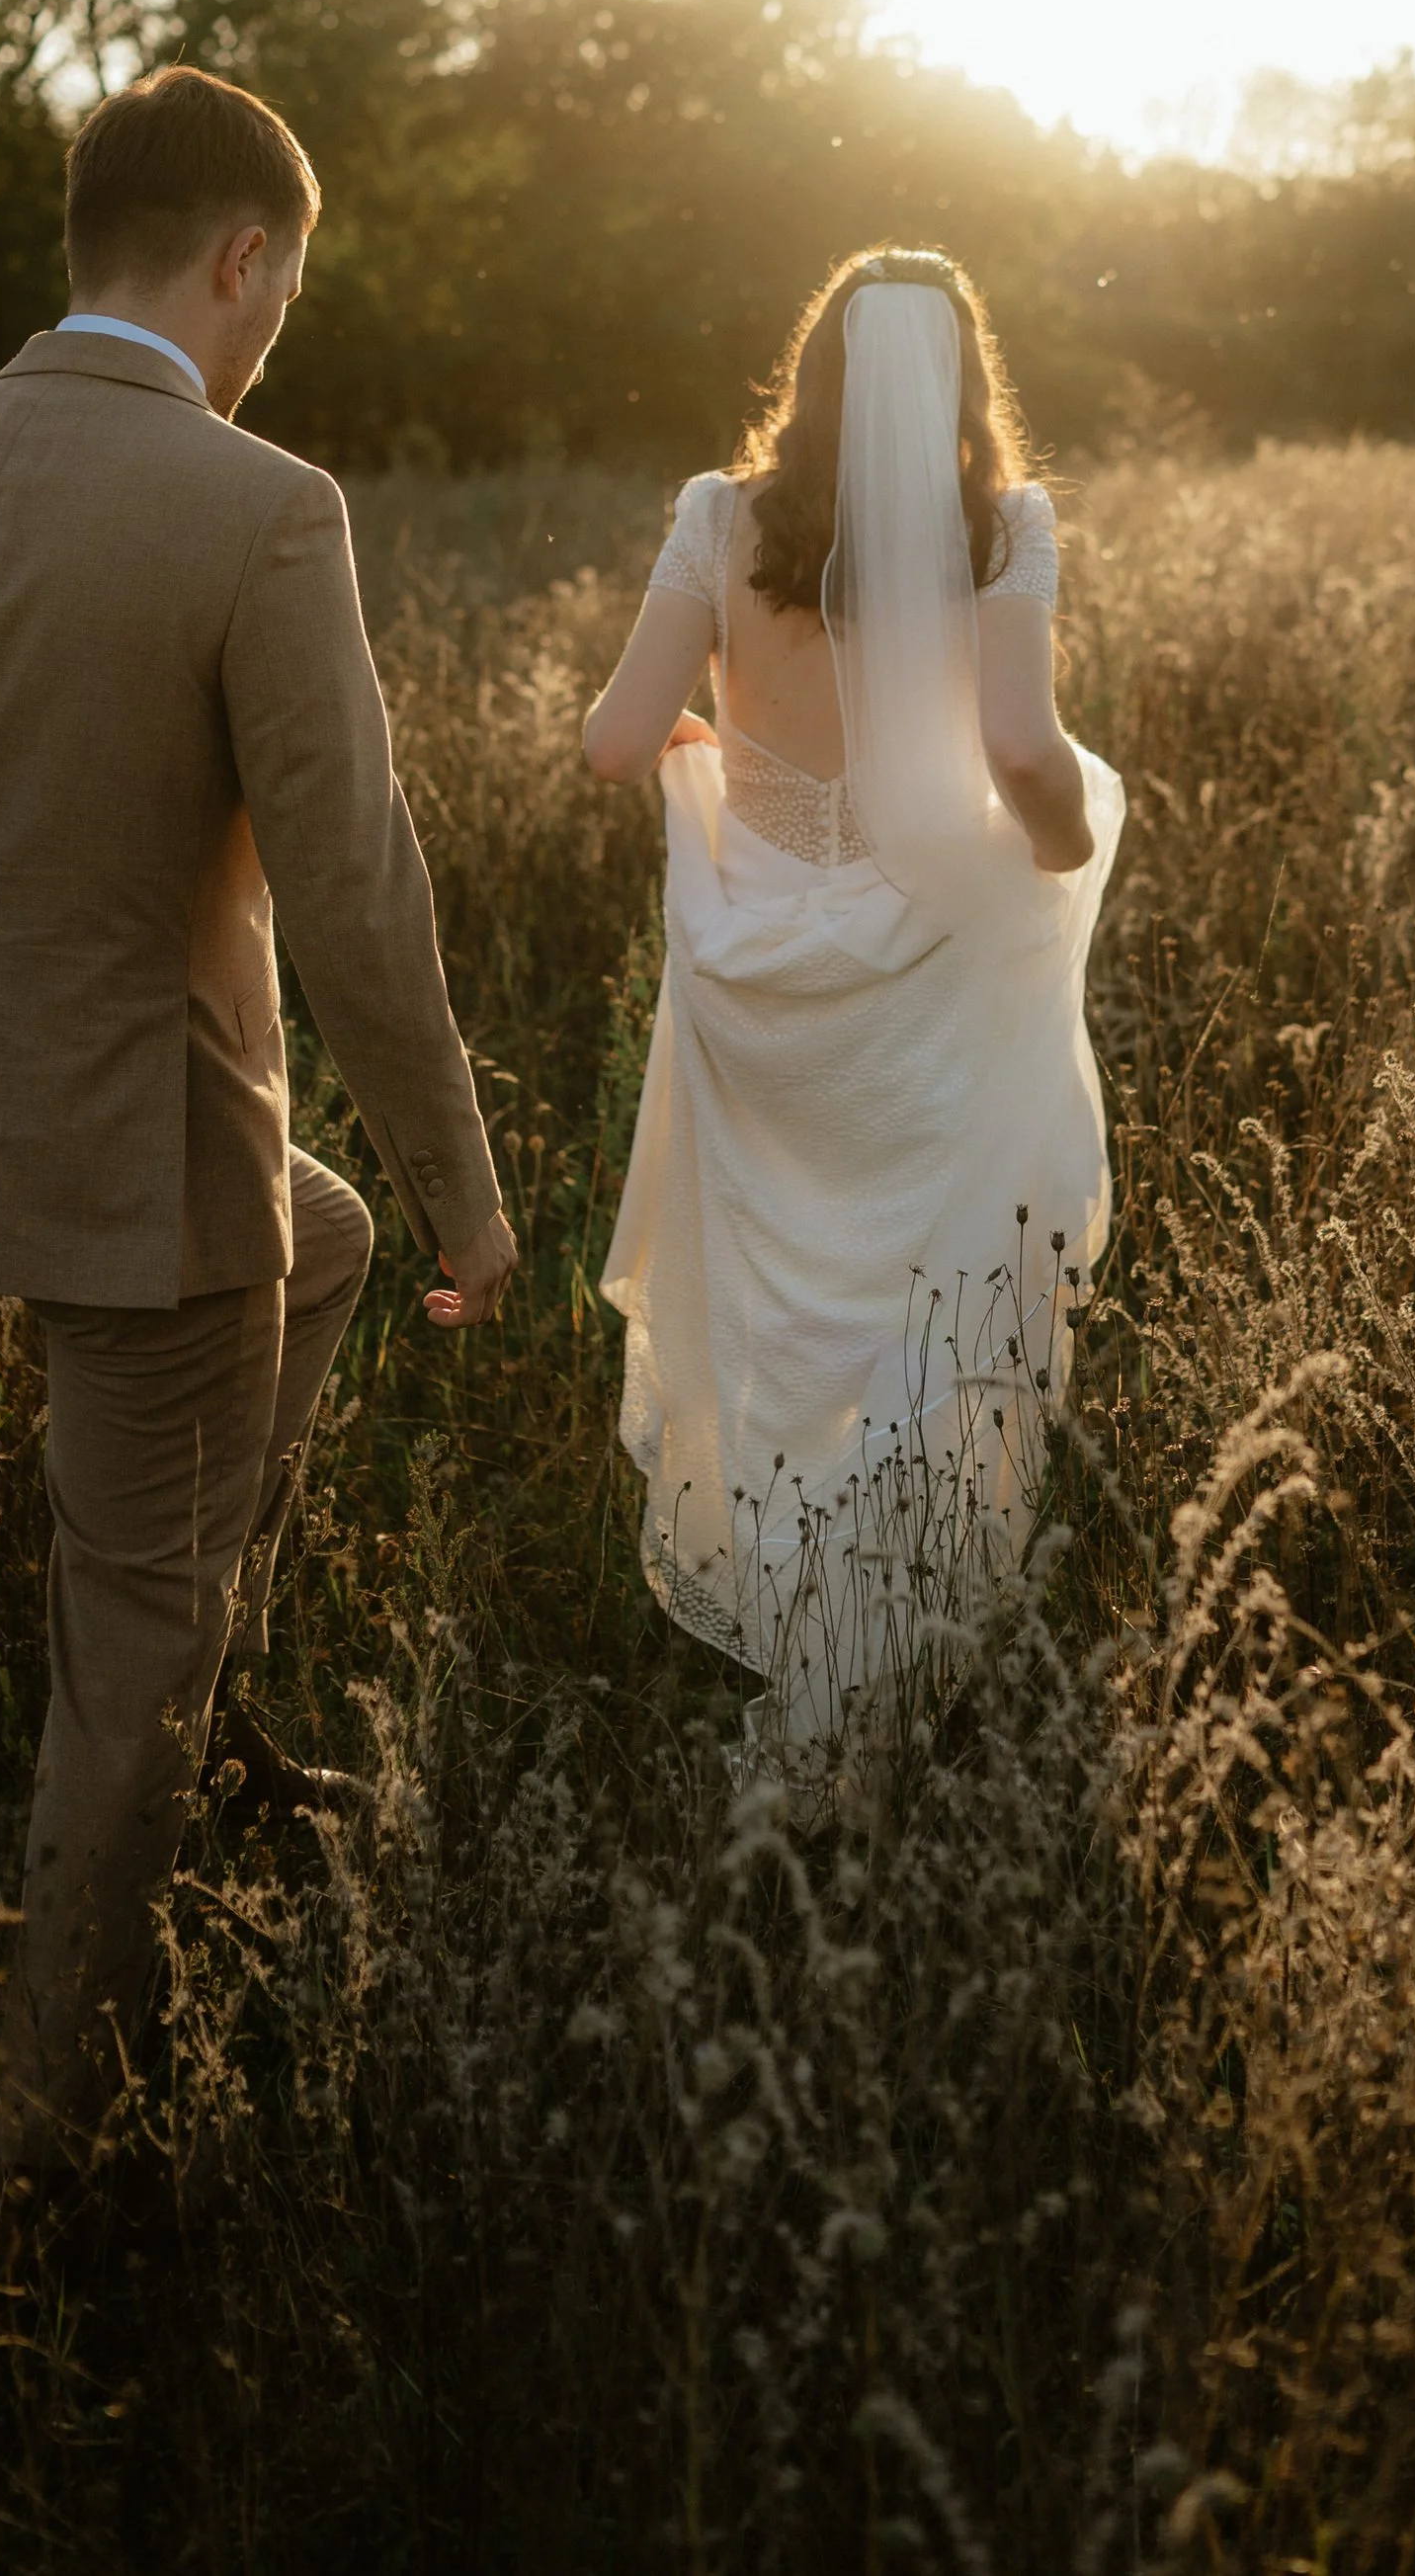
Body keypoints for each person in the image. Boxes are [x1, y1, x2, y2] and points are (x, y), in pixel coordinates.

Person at [0, 65, 518, 2171]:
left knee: (318, 1240)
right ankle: (39, 2157)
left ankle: (191, 1653)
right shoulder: (260, 504)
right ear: (241, 259)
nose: (276, 343)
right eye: (286, 298)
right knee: (129, 1660)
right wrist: (466, 1194)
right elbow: (353, 897)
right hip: (146, 1176)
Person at [585, 246, 1123, 1787]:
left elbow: (616, 745)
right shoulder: (1003, 528)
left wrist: (717, 744)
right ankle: (885, 1650)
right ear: (962, 380)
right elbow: (1023, 749)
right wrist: (1067, 848)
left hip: (757, 983)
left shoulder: (717, 516)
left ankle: (793, 1604)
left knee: (781, 1307)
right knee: (925, 1304)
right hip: (925, 971)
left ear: (813, 372)